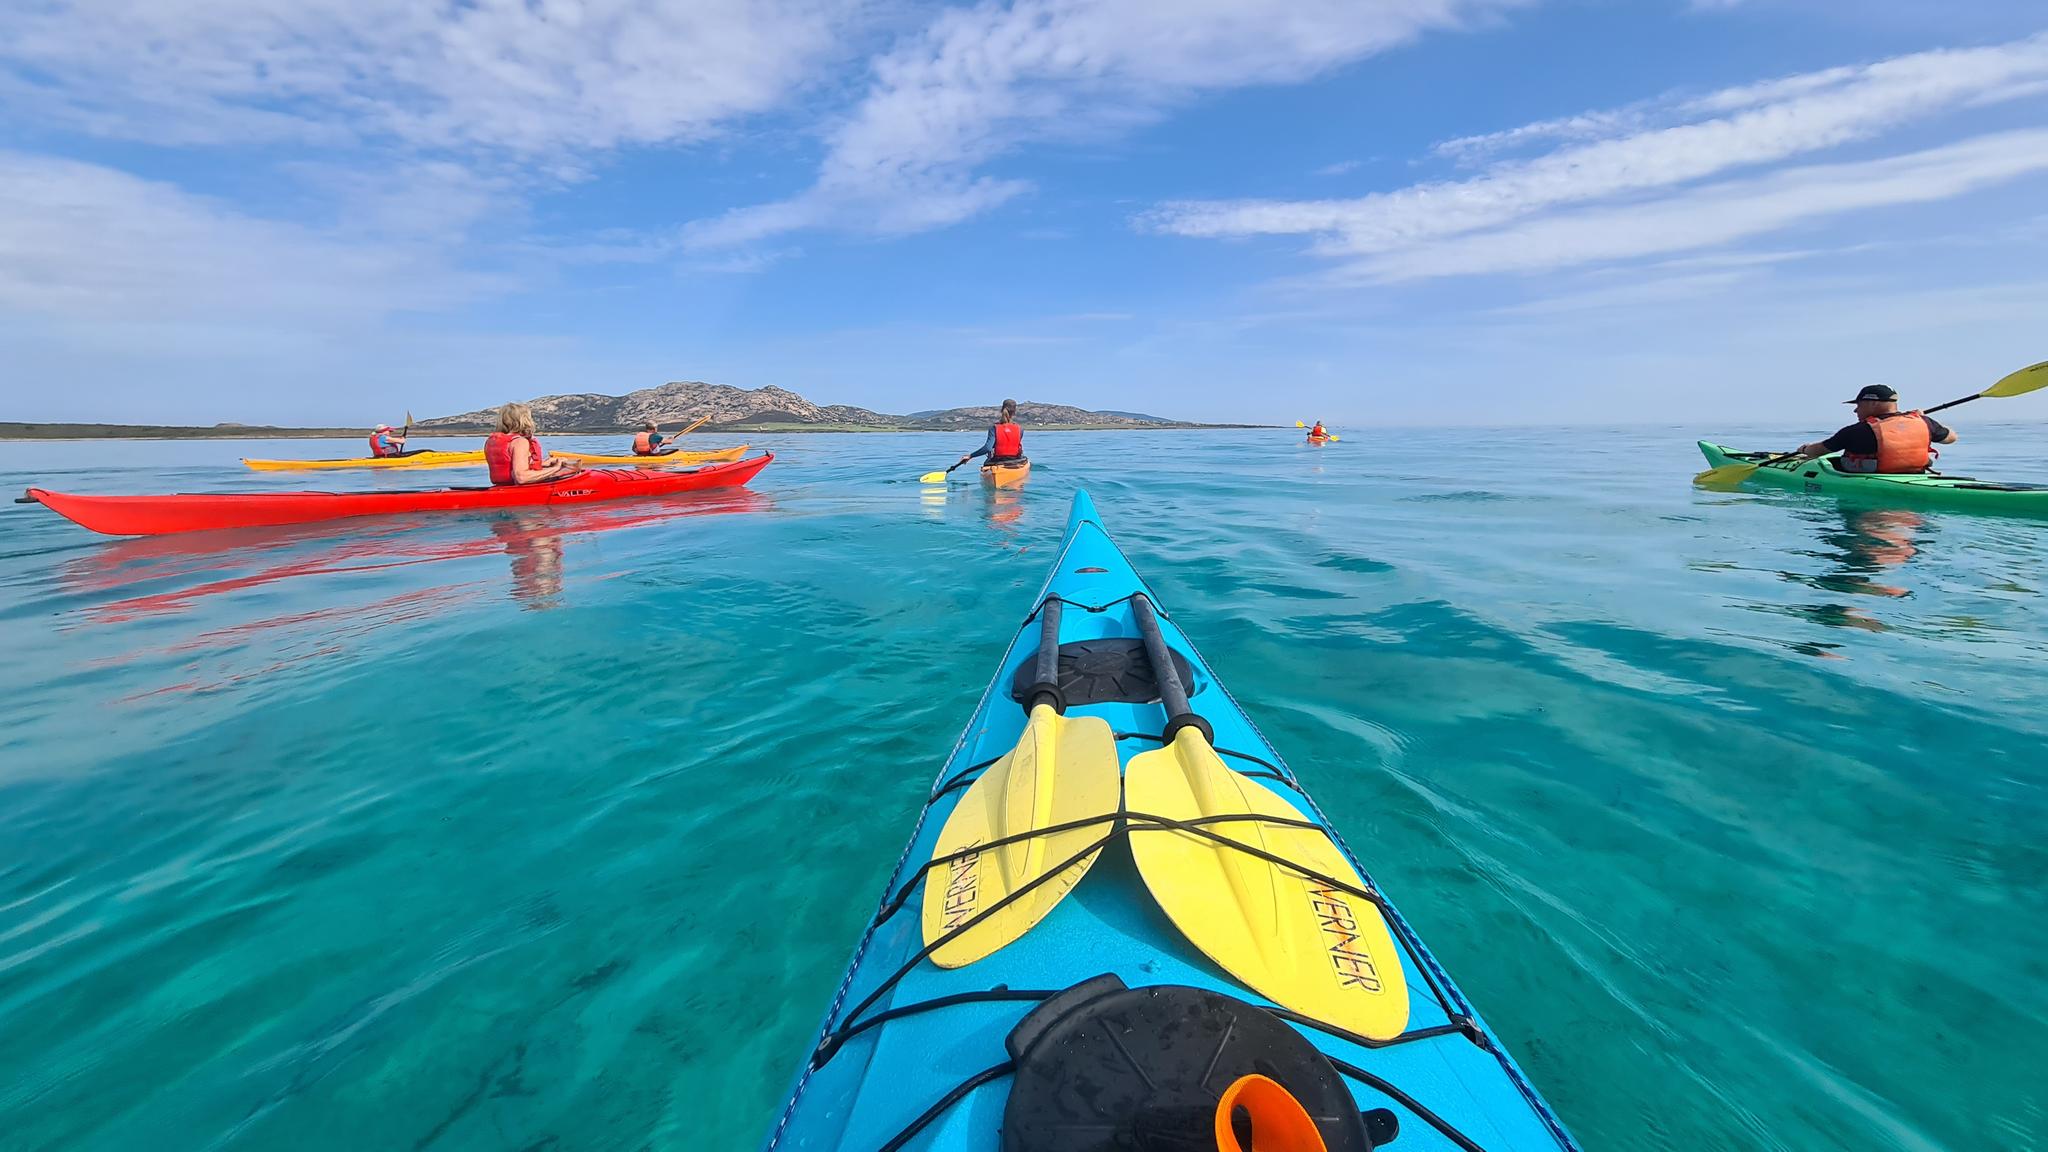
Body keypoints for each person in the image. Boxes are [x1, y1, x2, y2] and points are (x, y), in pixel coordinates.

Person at [1796, 385, 1956, 474]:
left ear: (1872, 403)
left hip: (1872, 481)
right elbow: (1951, 438)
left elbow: (1818, 451)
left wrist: (1805, 449)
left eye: (1858, 405)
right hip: (1915, 475)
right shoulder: (1924, 422)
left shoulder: (1857, 431)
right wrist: (1922, 419)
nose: (1855, 411)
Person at [484, 402, 581, 486]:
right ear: (525, 420)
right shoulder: (519, 442)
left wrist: (544, 463)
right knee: (573, 472)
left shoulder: (491, 441)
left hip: (502, 486)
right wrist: (556, 468)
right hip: (518, 488)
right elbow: (521, 478)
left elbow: (510, 464)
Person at [957, 399, 1026, 470]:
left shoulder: (994, 428)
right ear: (1014, 412)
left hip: (997, 461)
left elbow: (987, 448)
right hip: (1015, 461)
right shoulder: (1020, 429)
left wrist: (970, 456)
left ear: (1002, 410)